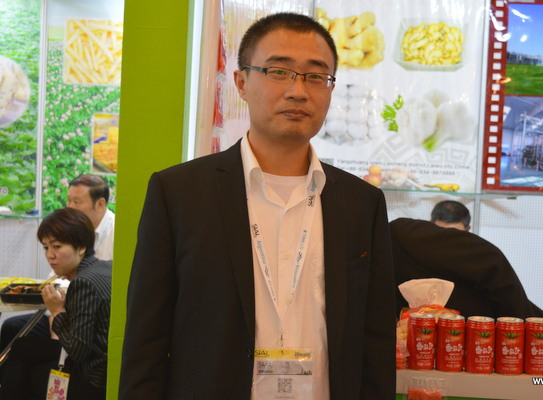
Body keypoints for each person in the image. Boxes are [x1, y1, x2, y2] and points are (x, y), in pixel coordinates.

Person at [119, 12, 396, 400]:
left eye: (316, 76)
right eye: (278, 71)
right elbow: (145, 340)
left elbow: (376, 339)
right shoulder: (179, 192)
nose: (298, 91)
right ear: (241, 83)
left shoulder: (361, 202)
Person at [391, 200, 543, 328]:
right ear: (431, 226)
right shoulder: (402, 240)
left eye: (456, 236)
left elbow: (510, 299)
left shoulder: (401, 235)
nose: (450, 245)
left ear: (468, 230)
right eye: (443, 233)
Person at [0, 207, 112, 400]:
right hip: (112, 366)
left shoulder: (83, 282)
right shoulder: (106, 267)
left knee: (22, 363)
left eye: (57, 246)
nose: (50, 255)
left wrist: (57, 311)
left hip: (93, 377)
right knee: (20, 346)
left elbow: (77, 350)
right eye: (46, 248)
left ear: (81, 247)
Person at [0, 174, 115, 354]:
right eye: (68, 200)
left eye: (77, 202)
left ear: (100, 204)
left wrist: (57, 316)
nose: (70, 207)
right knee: (13, 329)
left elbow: (77, 349)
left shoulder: (115, 234)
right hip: (67, 314)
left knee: (23, 356)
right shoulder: (74, 249)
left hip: (83, 327)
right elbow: (56, 281)